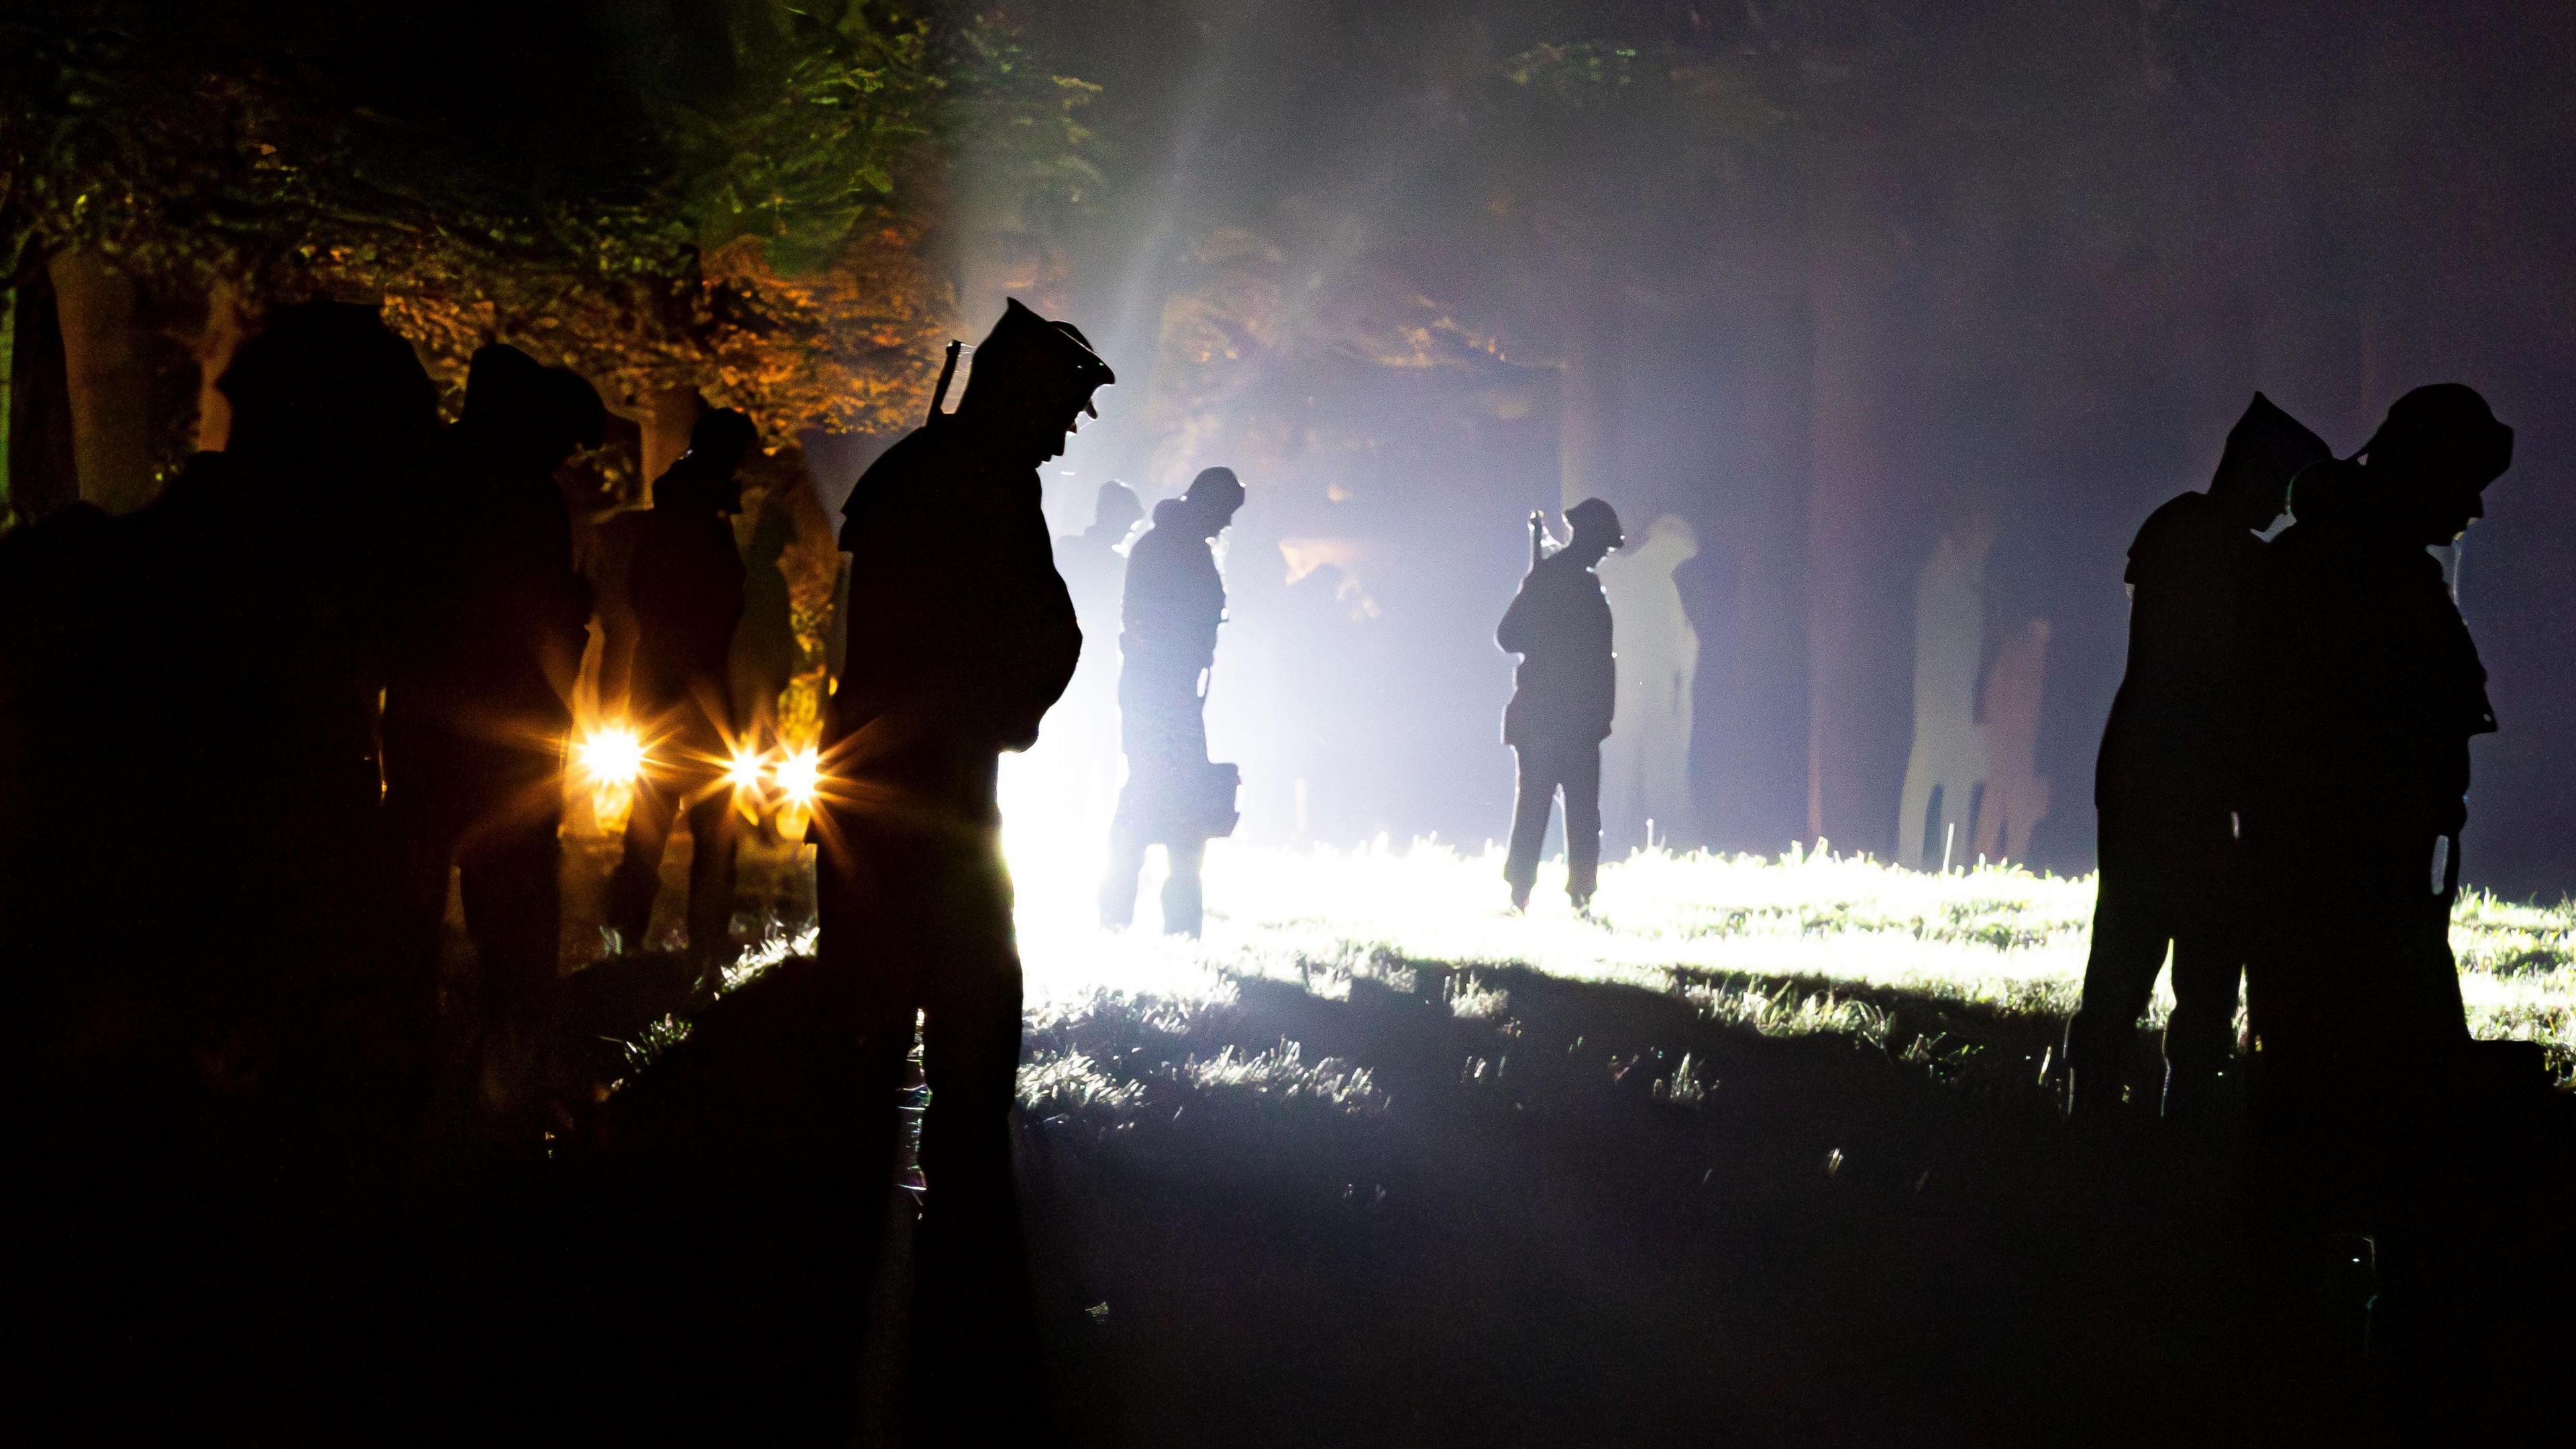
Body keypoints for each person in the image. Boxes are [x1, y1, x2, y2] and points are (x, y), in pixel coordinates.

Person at [818, 298, 1106, 1434]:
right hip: (932, 807)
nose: (1066, 436)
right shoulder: (982, 484)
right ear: (1024, 394)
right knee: (968, 1029)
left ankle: (863, 1261)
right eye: (1063, 411)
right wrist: (1013, 705)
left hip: (881, 802)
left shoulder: (915, 475)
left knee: (876, 1031)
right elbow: (1033, 630)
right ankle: (951, 1277)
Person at [2236, 385, 2512, 1154]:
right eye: (2464, 486)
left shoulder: (2352, 563)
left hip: (2367, 882)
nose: (2474, 511)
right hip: (2342, 888)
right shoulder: (2354, 573)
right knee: (2343, 1099)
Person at [2064, 394, 2328, 1122]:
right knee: (2205, 957)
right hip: (2203, 782)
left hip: (2140, 768)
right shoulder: (2243, 558)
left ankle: (2091, 1105)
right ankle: (2182, 1112)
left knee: (2125, 940)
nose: (2283, 506)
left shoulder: (2173, 528)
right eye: (2280, 488)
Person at [384, 344, 602, 1066]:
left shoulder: (424, 475)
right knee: (512, 878)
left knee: (420, 865)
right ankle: (510, 1028)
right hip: (508, 721)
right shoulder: (524, 495)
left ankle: (409, 1015)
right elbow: (539, 611)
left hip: (428, 707)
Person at [606, 409, 757, 979]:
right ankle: (700, 949)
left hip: (665, 693)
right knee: (712, 832)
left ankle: (629, 937)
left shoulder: (679, 510)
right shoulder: (699, 517)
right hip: (693, 698)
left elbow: (645, 595)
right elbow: (705, 605)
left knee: (650, 823)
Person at [1099, 467, 1245, 936]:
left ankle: (1128, 915)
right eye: (1223, 512)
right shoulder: (1171, 550)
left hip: (1165, 691)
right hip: (1162, 693)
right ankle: (1165, 921)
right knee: (1161, 799)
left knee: (1159, 798)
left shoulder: (1168, 546)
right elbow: (1155, 626)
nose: (1225, 524)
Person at [1499, 497, 1621, 912]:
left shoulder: (1558, 581)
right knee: (1554, 810)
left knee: (1566, 812)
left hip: (1568, 719)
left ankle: (1556, 891)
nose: (1606, 551)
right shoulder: (1563, 584)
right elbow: (1509, 636)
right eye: (1603, 543)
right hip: (1553, 717)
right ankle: (1536, 892)